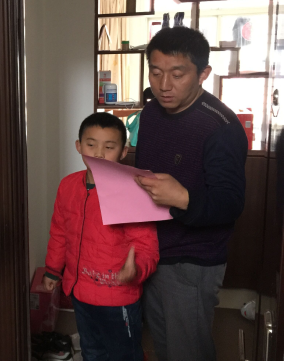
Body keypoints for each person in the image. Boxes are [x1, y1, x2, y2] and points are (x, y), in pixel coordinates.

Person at [134, 26, 248, 361]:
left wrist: (182, 197)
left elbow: (230, 203)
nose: (164, 85)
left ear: (203, 74)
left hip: (192, 260)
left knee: (188, 351)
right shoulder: (150, 113)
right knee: (164, 345)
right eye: (156, 72)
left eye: (177, 74)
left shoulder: (221, 127)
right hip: (153, 248)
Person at [43, 112, 159, 360]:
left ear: (123, 151)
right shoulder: (67, 185)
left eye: (109, 147)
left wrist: (137, 269)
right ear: (78, 146)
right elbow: (59, 231)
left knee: (124, 355)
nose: (98, 153)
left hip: (118, 296)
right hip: (80, 292)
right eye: (91, 144)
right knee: (92, 351)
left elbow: (146, 245)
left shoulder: (132, 191)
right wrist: (53, 270)